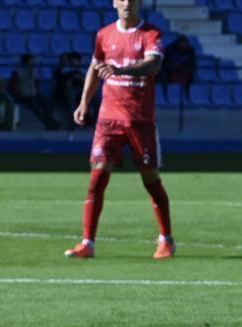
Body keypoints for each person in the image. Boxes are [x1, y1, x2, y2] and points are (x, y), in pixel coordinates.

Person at [65, 0, 174, 260]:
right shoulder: (104, 34)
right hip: (108, 119)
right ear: (115, 2)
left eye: (133, 0)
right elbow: (95, 66)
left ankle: (166, 240)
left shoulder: (151, 33)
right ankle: (87, 243)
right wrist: (84, 102)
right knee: (97, 178)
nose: (127, 4)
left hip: (140, 119)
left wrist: (121, 69)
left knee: (150, 179)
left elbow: (153, 66)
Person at [10, 54, 60, 130]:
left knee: (46, 102)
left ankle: (50, 121)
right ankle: (49, 123)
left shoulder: (33, 71)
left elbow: (35, 83)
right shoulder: (17, 72)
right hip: (24, 95)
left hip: (34, 94)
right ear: (27, 61)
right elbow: (12, 86)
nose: (33, 62)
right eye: (31, 61)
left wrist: (37, 92)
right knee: (35, 107)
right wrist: (19, 94)